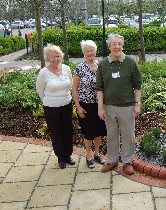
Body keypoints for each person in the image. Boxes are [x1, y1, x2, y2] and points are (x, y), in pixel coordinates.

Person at [95, 33, 142, 175]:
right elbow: (99, 88)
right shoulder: (103, 64)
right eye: (114, 44)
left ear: (122, 45)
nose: (117, 47)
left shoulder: (130, 63)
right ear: (109, 46)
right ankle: (112, 160)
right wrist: (100, 107)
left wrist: (137, 104)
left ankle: (127, 162)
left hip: (127, 106)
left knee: (128, 135)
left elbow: (138, 85)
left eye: (119, 44)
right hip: (109, 107)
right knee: (111, 135)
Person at [36, 43, 75, 169]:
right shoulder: (44, 73)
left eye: (58, 56)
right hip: (51, 107)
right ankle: (61, 157)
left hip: (66, 104)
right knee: (56, 132)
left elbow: (71, 85)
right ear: (48, 58)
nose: (56, 59)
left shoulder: (66, 69)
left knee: (68, 130)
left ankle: (68, 154)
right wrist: (50, 100)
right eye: (53, 57)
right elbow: (40, 90)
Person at [72, 40, 107, 169]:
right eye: (87, 51)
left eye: (92, 50)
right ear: (83, 53)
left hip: (99, 105)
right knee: (88, 132)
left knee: (98, 131)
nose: (90, 53)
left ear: (95, 51)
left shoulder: (101, 66)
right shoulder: (80, 67)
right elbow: (74, 88)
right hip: (85, 105)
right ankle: (88, 155)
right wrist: (78, 106)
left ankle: (97, 154)